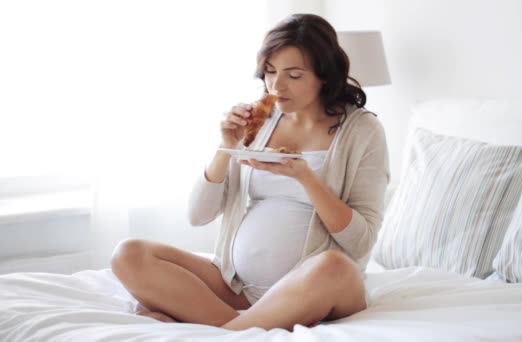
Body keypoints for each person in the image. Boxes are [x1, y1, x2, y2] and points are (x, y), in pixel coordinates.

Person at [110, 13, 390, 331]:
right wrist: (225, 146)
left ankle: (219, 329)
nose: (276, 86)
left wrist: (305, 178)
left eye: (294, 75)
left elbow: (361, 241)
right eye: (270, 72)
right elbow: (198, 215)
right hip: (239, 289)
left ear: (324, 75)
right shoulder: (259, 121)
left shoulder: (362, 130)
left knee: (334, 266)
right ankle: (238, 325)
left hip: (319, 288)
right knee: (128, 254)